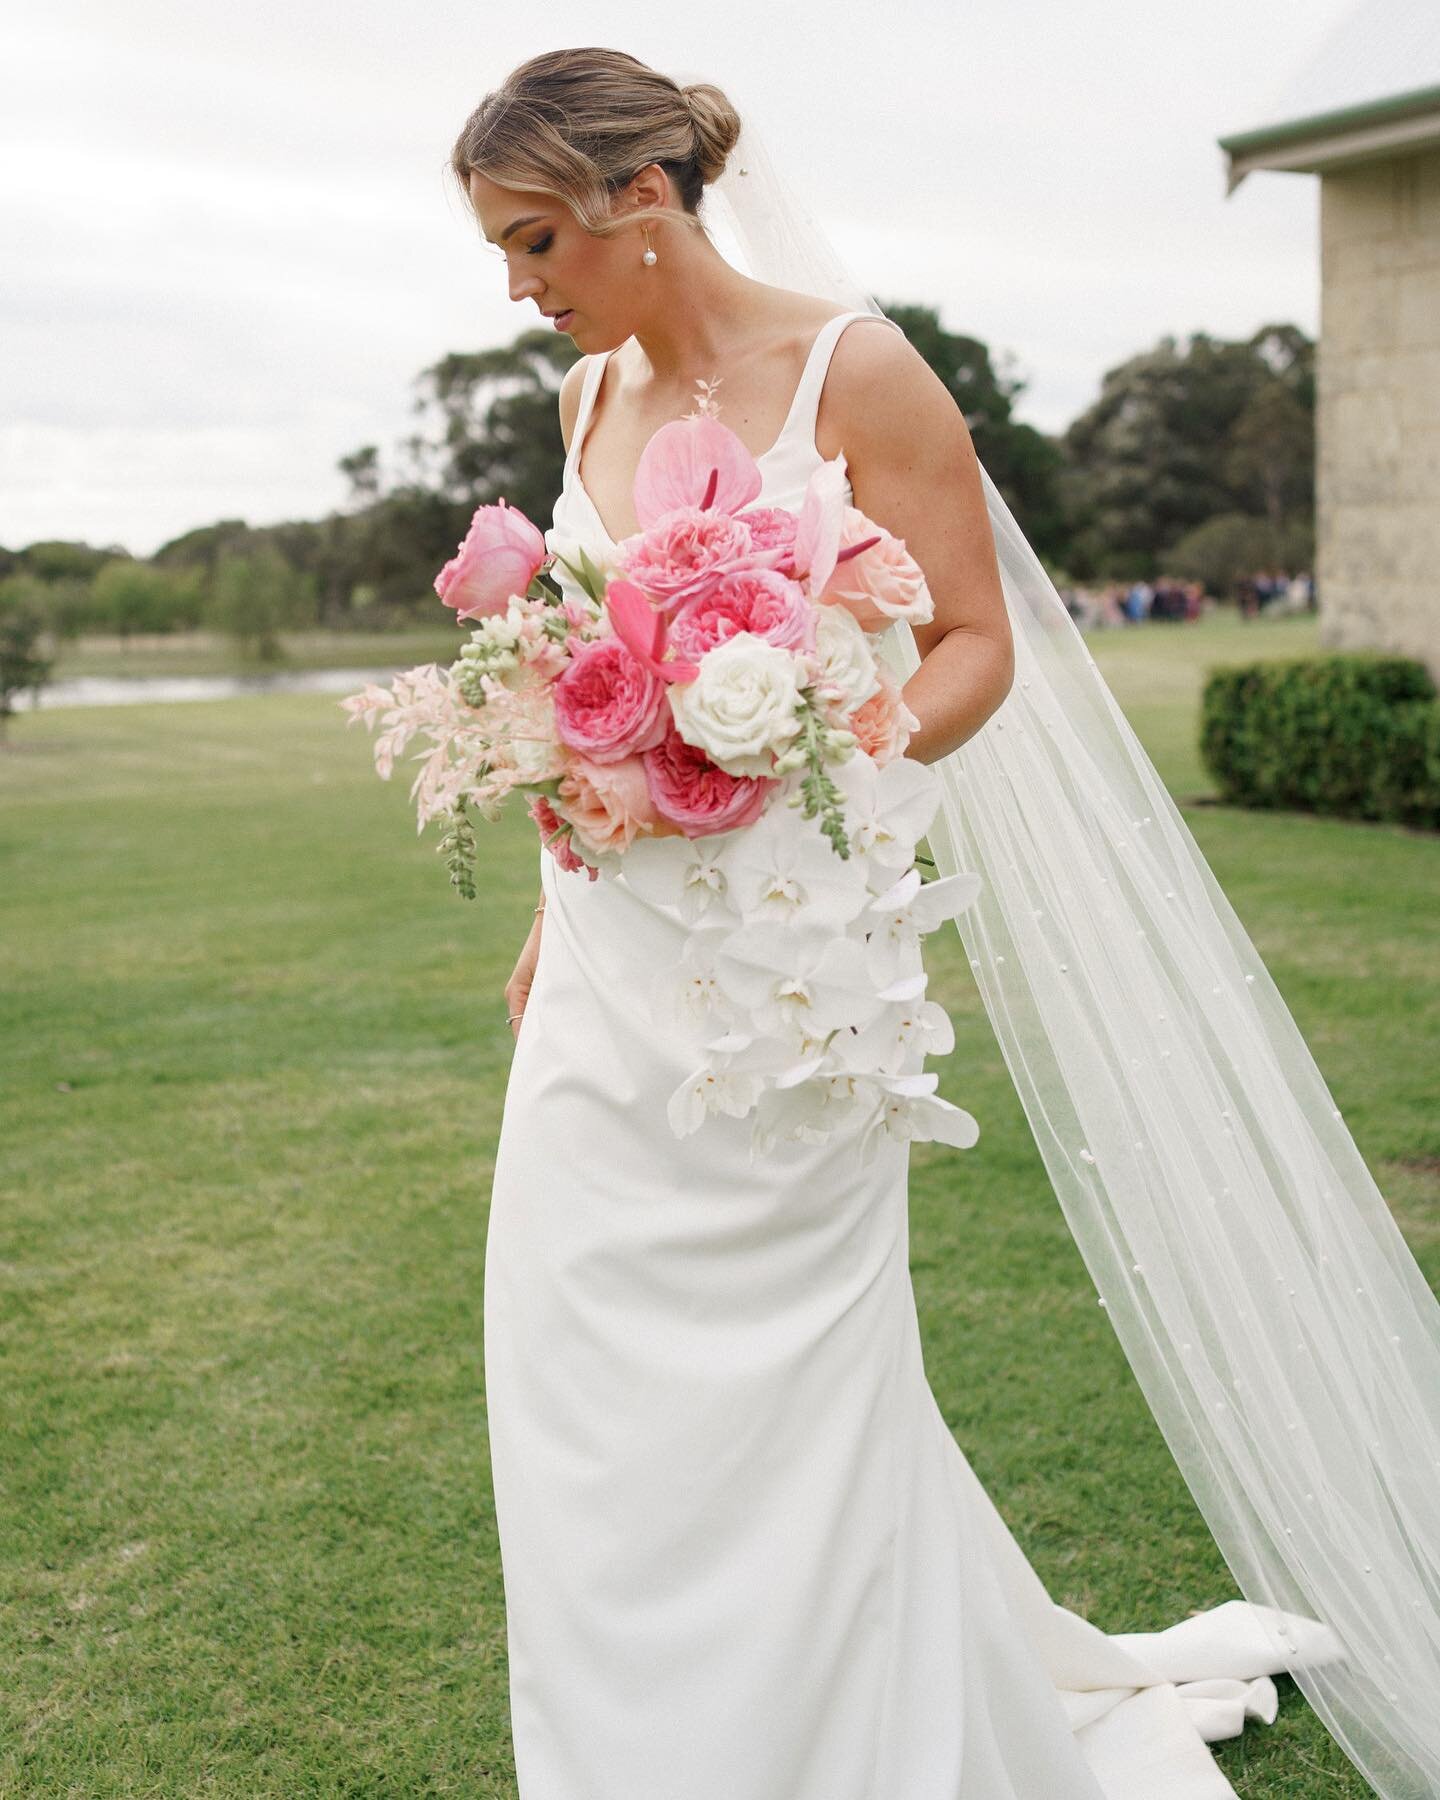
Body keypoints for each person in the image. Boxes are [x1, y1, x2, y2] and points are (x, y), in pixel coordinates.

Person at [452, 49, 1437, 1800]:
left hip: (790, 964)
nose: (519, 287)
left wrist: (794, 739)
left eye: (536, 241)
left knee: (796, 1387)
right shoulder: (585, 401)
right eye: (503, 252)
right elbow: (580, 678)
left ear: (645, 202)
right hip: (614, 961)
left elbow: (977, 641)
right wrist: (563, 879)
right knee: (567, 1349)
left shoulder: (857, 368)